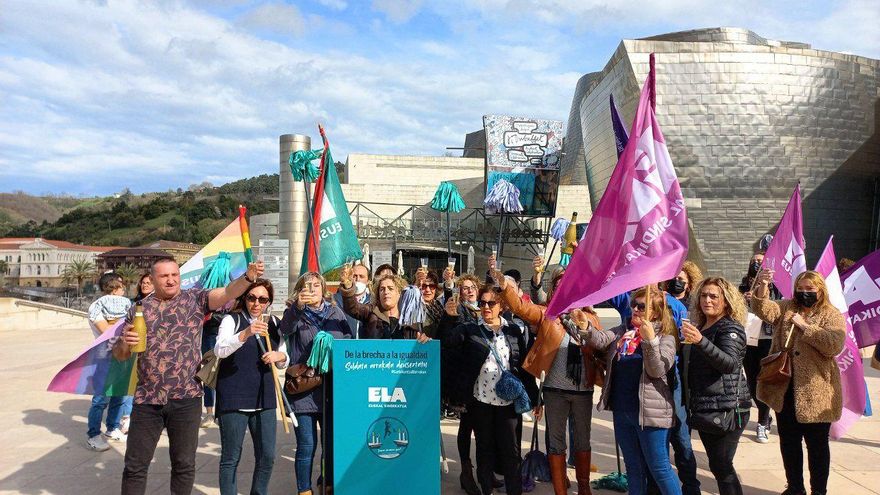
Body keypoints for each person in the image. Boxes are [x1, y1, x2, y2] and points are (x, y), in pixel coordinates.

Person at [113, 256, 265, 495]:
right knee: (135, 466)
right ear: (152, 279)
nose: (171, 280)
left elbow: (226, 292)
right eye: (164, 276)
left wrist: (248, 278)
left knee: (184, 465)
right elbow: (121, 355)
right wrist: (124, 342)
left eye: (175, 274)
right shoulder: (138, 310)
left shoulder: (195, 299)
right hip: (147, 399)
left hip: (187, 397)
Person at [493, 268, 600, 495]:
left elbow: (601, 346)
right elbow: (521, 308)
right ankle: (560, 490)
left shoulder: (590, 318)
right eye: (560, 284)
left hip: (583, 391)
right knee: (556, 442)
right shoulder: (548, 315)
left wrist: (584, 327)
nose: (565, 287)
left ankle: (583, 487)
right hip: (554, 391)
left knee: (582, 441)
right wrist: (505, 286)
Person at [752, 269, 845, 495]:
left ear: (820, 290)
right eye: (800, 289)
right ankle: (794, 487)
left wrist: (805, 326)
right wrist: (762, 286)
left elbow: (834, 344)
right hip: (785, 388)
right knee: (789, 443)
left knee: (817, 447)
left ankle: (818, 491)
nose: (804, 293)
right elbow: (764, 310)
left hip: (817, 391)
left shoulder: (831, 314)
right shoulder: (787, 307)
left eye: (810, 289)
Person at [584, 286, 681, 495]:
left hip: (650, 415)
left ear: (655, 312)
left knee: (660, 469)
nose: (635, 309)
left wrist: (650, 340)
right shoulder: (623, 330)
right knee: (633, 469)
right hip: (623, 410)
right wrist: (584, 326)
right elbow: (600, 339)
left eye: (641, 306)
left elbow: (656, 369)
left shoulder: (666, 338)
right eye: (633, 305)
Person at [440, 284, 537, 495]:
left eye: (491, 303)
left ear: (501, 305)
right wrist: (448, 318)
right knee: (484, 451)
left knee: (511, 452)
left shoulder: (513, 330)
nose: (485, 307)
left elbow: (523, 367)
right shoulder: (470, 329)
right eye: (482, 303)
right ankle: (487, 491)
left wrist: (536, 399)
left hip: (508, 404)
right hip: (480, 402)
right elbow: (447, 342)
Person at [279, 271, 352, 495]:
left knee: (330, 445)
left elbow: (348, 339)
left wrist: (330, 342)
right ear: (300, 290)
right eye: (306, 286)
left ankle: (327, 482)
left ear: (324, 290)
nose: (312, 290)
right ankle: (304, 489)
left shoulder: (335, 311)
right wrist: (297, 308)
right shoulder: (294, 313)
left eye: (316, 286)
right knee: (307, 446)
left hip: (331, 388)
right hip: (304, 389)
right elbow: (284, 329)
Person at [213, 279, 288, 495]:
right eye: (252, 297)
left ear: (269, 302)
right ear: (244, 298)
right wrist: (245, 333)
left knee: (267, 456)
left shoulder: (273, 322)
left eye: (262, 299)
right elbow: (220, 349)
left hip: (264, 398)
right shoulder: (232, 319)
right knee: (230, 457)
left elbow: (284, 355)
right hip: (234, 396)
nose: (256, 303)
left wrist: (280, 356)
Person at [681, 277, 752, 495]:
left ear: (726, 300)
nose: (707, 300)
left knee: (722, 466)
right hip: (706, 405)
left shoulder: (730, 328)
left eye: (714, 296)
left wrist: (701, 341)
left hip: (729, 407)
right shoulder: (701, 326)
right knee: (716, 464)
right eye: (703, 295)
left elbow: (729, 364)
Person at [440, 272, 488, 494]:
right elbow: (446, 338)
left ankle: (484, 472)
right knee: (467, 426)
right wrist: (449, 316)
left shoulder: (487, 310)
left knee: (484, 427)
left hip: (487, 379)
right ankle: (466, 472)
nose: (468, 290)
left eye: (471, 287)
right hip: (465, 379)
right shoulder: (457, 310)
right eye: (464, 287)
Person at [86, 272, 133, 451]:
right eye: (121, 286)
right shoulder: (96, 307)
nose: (123, 290)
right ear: (113, 288)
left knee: (119, 394)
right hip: (104, 356)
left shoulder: (123, 305)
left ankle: (112, 428)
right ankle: (93, 434)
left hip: (121, 354)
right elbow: (106, 331)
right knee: (100, 398)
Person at [739, 252, 781, 443]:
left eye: (761, 261)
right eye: (754, 261)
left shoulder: (777, 286)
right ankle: (765, 413)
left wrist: (761, 295)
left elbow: (778, 308)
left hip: (767, 337)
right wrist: (744, 298)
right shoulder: (744, 283)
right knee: (752, 382)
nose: (757, 264)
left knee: (764, 380)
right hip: (749, 336)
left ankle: (762, 422)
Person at [339, 264, 431, 341]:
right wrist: (348, 285)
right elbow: (352, 307)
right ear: (378, 294)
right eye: (382, 289)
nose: (386, 292)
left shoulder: (409, 318)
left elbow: (418, 346)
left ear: (399, 293)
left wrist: (424, 340)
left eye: (390, 289)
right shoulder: (371, 312)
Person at [333, 263, 371, 338]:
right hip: (345, 346)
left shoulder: (373, 301)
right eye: (354, 276)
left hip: (367, 347)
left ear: (368, 281)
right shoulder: (335, 300)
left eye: (361, 276)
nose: (358, 279)